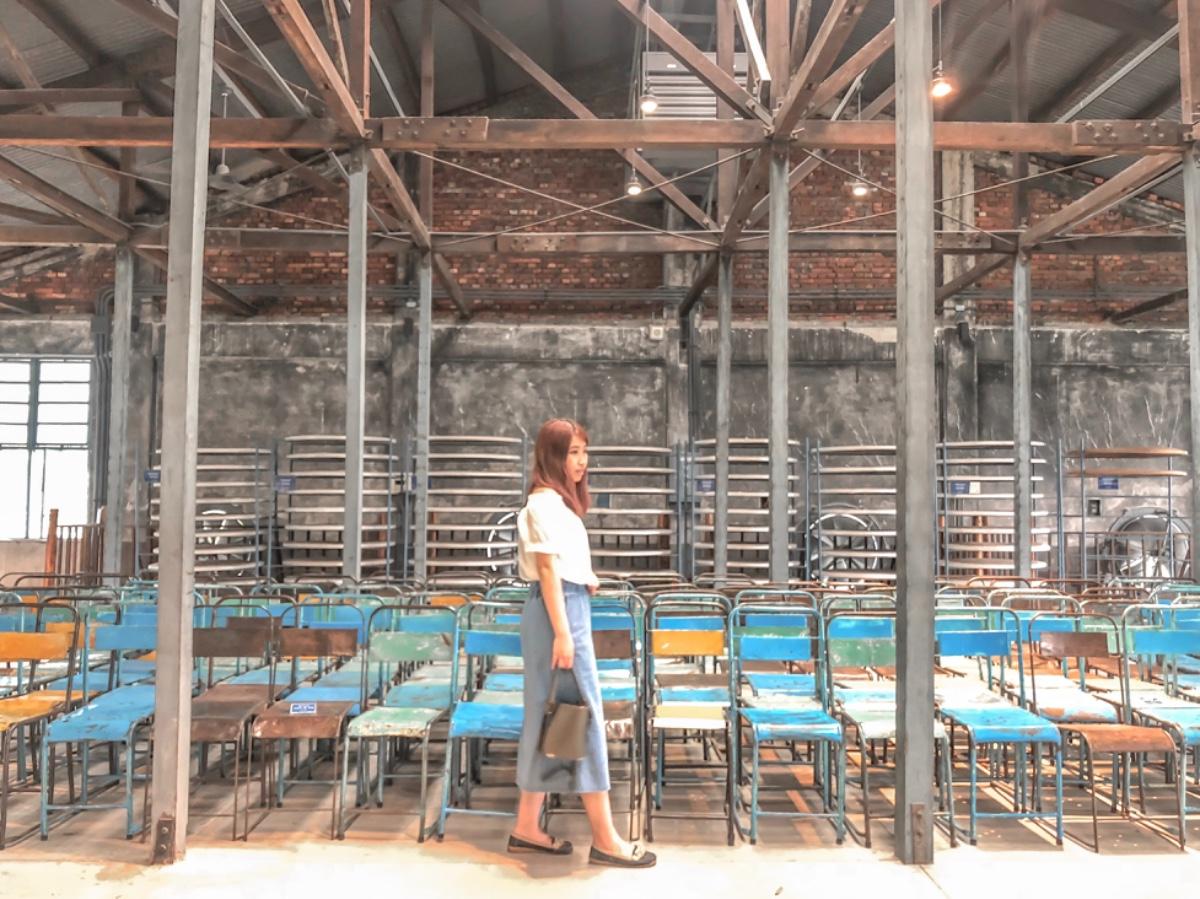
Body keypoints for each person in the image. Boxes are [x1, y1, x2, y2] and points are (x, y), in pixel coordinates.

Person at [508, 418, 656, 868]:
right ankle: (605, 839)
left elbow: (559, 566)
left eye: (584, 451)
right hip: (558, 614)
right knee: (583, 717)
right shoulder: (543, 505)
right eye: (572, 452)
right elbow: (546, 570)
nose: (582, 461)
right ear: (553, 456)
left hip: (563, 606)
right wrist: (563, 632)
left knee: (551, 716)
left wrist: (584, 579)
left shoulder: (555, 504)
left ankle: (526, 826)